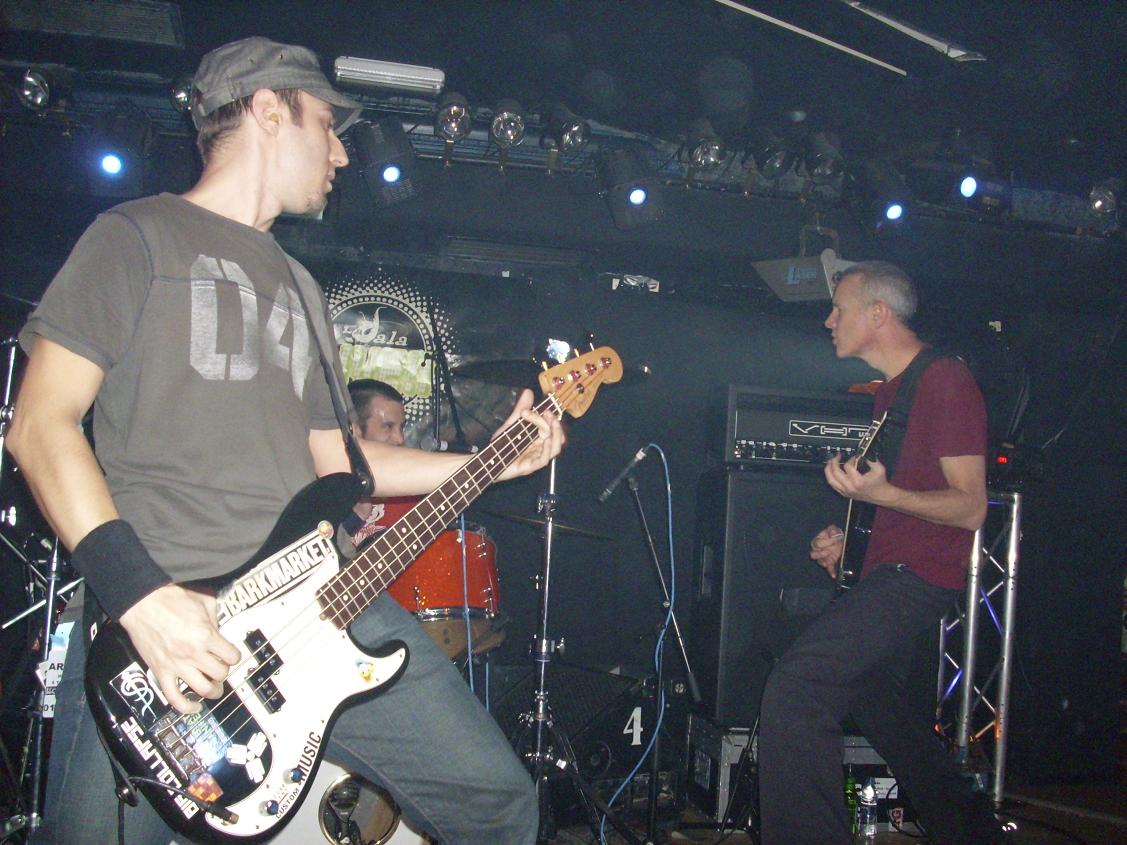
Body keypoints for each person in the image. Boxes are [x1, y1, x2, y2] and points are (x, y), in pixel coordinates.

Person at [6, 37, 563, 845]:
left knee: (497, 801)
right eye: (327, 125)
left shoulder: (300, 287)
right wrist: (138, 595)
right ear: (268, 109)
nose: (341, 150)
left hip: (323, 601)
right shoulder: (135, 236)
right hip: (167, 611)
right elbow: (39, 421)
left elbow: (343, 470)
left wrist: (496, 458)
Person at [756, 261, 1006, 844]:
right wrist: (849, 544)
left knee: (796, 691)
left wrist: (883, 493)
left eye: (838, 308)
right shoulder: (891, 394)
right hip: (889, 570)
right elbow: (905, 502)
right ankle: (976, 835)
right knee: (880, 707)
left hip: (917, 577)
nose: (827, 320)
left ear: (878, 314)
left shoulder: (943, 378)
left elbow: (970, 507)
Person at [342, 378, 416, 548]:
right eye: (388, 426)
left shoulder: (410, 496)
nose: (400, 439)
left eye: (401, 427)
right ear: (355, 430)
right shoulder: (323, 488)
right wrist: (357, 516)